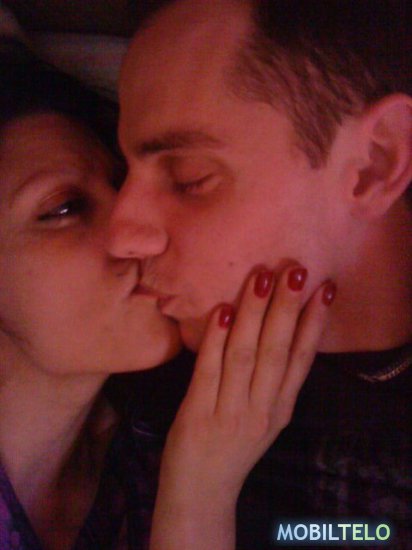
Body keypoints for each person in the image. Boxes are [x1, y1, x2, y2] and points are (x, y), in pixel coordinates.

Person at [0, 37, 333, 550]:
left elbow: (360, 534)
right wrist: (199, 501)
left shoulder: (156, 440)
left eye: (124, 185)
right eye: (64, 209)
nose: (138, 232)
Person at [108, 0, 412, 548]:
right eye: (123, 173)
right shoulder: (133, 364)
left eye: (189, 177)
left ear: (375, 164)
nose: (120, 236)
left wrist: (198, 508)